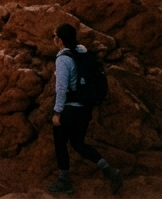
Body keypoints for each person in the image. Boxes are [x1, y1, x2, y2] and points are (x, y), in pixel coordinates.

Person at [47, 23, 122, 194]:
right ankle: (110, 171)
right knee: (78, 143)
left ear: (59, 39)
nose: (53, 39)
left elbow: (61, 88)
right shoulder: (83, 52)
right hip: (85, 108)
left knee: (60, 143)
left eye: (54, 35)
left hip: (70, 109)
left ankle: (64, 182)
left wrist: (57, 112)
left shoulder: (63, 59)